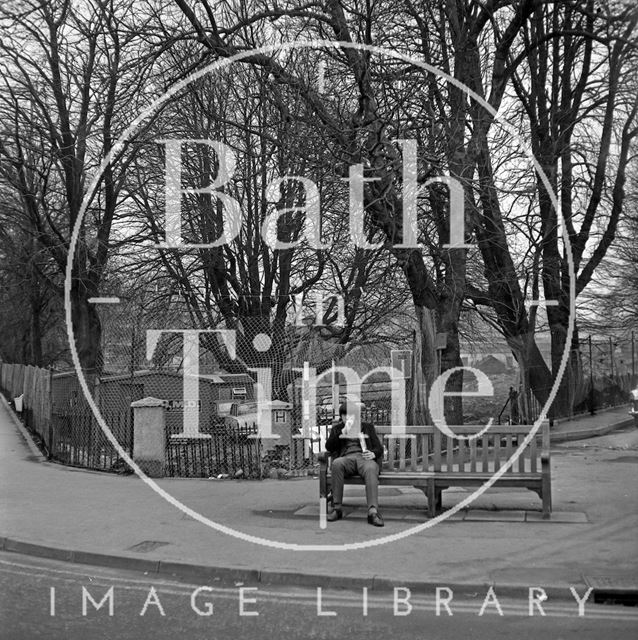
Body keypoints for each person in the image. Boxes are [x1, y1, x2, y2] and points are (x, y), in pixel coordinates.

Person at [325, 401, 385, 526]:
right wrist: (343, 432)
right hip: (347, 459)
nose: (347, 418)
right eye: (344, 415)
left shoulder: (367, 427)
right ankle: (337, 509)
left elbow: (378, 448)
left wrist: (373, 454)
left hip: (364, 458)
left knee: (371, 468)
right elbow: (329, 447)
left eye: (350, 415)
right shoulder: (337, 429)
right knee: (336, 463)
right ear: (341, 417)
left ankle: (372, 512)